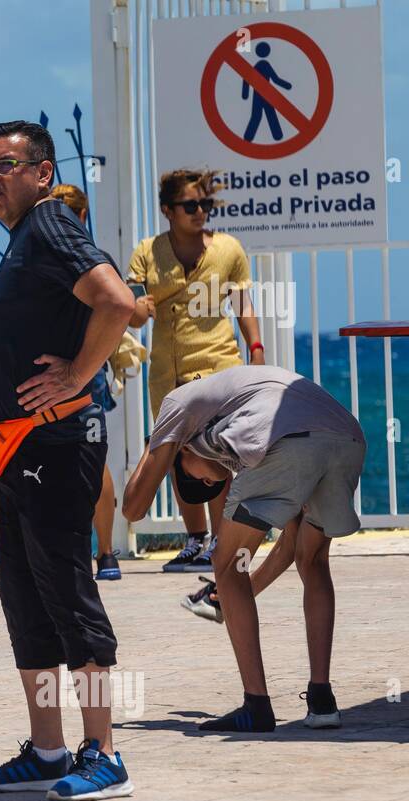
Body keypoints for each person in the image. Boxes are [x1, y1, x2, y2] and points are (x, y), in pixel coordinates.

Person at [0, 121, 136, 801]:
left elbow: (117, 301)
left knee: (68, 593)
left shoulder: (50, 222)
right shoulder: (25, 240)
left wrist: (78, 376)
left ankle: (105, 753)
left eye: (7, 165)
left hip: (57, 447)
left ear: (42, 171)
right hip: (17, 449)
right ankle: (46, 750)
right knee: (25, 597)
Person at [122, 365, 366, 732]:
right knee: (312, 560)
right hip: (346, 439)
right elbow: (287, 548)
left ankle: (256, 706)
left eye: (197, 477)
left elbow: (133, 509)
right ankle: (322, 700)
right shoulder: (236, 414)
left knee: (226, 562)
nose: (207, 481)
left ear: (183, 449)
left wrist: (153, 443)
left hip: (290, 441)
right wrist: (234, 594)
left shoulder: (177, 405)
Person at [127, 169, 265, 573]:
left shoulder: (228, 248)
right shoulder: (147, 252)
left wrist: (256, 351)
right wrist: (137, 310)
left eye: (205, 204)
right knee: (174, 455)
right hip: (170, 374)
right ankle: (195, 540)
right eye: (190, 205)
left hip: (220, 365)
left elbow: (244, 304)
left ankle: (222, 540)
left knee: (220, 454)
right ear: (168, 210)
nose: (200, 212)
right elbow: (133, 312)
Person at [51, 183, 121, 581]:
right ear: (84, 216)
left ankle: (73, 551)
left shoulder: (45, 256)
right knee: (95, 459)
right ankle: (107, 552)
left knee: (59, 458)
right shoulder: (98, 260)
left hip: (56, 372)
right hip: (89, 370)